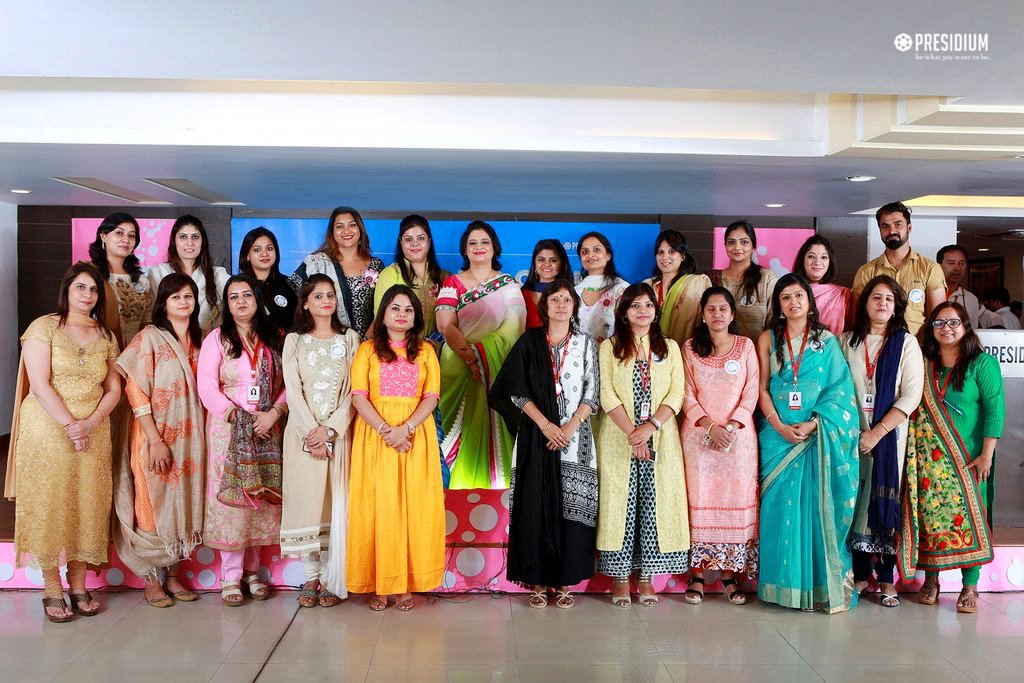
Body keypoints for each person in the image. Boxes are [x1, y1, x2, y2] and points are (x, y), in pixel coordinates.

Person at [7, 262, 121, 622]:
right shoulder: (43, 328)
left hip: (93, 430)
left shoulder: (106, 335)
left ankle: (78, 584)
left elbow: (114, 388)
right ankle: (52, 587)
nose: (87, 295)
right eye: (80, 287)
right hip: (48, 429)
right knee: (50, 502)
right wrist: (72, 425)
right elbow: (39, 384)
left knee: (87, 502)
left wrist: (90, 423)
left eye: (93, 289)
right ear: (67, 290)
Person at [489, 279, 600, 609]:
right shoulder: (530, 342)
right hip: (537, 437)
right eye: (555, 300)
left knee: (571, 511)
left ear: (575, 306)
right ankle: (537, 582)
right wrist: (546, 425)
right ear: (545, 306)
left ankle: (565, 582)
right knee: (535, 506)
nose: (561, 305)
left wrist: (569, 426)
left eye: (567, 300)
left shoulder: (586, 343)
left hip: (576, 439)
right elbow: (514, 389)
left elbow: (593, 393)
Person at [756, 273, 860, 613]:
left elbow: (841, 392)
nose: (793, 302)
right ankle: (782, 589)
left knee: (815, 511)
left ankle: (817, 589)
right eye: (785, 297)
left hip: (817, 437)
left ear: (809, 301)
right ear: (778, 305)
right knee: (779, 511)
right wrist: (779, 427)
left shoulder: (826, 341)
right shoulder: (768, 338)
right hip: (777, 438)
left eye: (798, 295)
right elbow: (760, 388)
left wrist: (815, 423)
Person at [899, 302, 1004, 614]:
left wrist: (986, 455)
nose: (946, 328)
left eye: (953, 322)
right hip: (929, 461)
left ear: (966, 326)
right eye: (939, 323)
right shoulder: (924, 363)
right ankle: (932, 580)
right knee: (931, 515)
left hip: (969, 458)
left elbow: (995, 410)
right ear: (930, 328)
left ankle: (970, 585)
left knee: (972, 517)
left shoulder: (982, 363)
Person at [347, 285, 445, 610]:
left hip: (416, 437)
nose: (402, 314)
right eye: (395, 308)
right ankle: (380, 584)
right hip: (376, 437)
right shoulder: (366, 350)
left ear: (416, 317)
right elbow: (359, 396)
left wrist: (406, 429)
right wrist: (386, 430)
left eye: (408, 309)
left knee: (415, 509)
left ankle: (406, 585)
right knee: (380, 508)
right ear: (383, 314)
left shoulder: (427, 351)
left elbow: (431, 397)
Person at [112, 273, 205, 608]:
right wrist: (154, 440)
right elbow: (134, 389)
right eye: (175, 297)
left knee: (183, 502)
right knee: (150, 502)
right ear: (163, 303)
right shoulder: (149, 337)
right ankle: (151, 579)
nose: (183, 302)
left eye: (188, 296)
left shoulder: (202, 339)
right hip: (153, 434)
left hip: (192, 439)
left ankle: (175, 575)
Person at [597, 283, 689, 608]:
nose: (642, 311)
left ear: (656, 311)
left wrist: (650, 427)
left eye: (648, 305)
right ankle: (620, 578)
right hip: (618, 438)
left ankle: (647, 578)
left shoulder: (669, 347)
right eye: (635, 305)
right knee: (620, 507)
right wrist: (633, 433)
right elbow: (606, 393)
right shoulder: (610, 347)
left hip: (660, 436)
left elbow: (677, 393)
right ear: (624, 312)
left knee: (653, 506)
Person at [198, 275, 287, 605]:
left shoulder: (275, 337)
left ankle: (253, 572)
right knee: (236, 501)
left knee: (260, 500)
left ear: (257, 299)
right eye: (233, 297)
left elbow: (289, 384)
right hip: (229, 430)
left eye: (246, 295)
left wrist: (274, 413)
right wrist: (236, 416)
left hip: (266, 428)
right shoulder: (217, 339)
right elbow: (207, 386)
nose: (241, 301)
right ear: (227, 304)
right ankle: (230, 577)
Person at [840, 275, 923, 608]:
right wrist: (858, 433)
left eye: (889, 299)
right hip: (851, 436)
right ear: (865, 304)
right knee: (857, 503)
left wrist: (877, 433)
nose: (882, 303)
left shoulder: (906, 343)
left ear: (896, 306)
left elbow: (911, 395)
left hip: (889, 438)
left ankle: (887, 579)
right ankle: (861, 576)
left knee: (884, 500)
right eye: (876, 297)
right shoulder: (846, 341)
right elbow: (837, 389)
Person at [280, 274, 362, 608]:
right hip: (302, 438)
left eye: (330, 295)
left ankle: (331, 577)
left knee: (335, 505)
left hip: (339, 437)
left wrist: (330, 429)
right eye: (318, 296)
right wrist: (311, 433)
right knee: (306, 504)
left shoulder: (351, 339)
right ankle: (311, 576)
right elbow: (292, 390)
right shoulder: (294, 341)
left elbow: (355, 391)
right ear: (305, 303)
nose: (326, 301)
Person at [680, 287, 759, 605]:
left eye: (723, 309)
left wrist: (730, 427)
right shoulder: (690, 348)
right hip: (699, 438)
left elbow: (752, 390)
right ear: (702, 314)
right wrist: (710, 426)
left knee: (733, 500)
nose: (717, 314)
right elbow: (685, 393)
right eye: (711, 309)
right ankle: (697, 574)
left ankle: (729, 574)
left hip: (737, 440)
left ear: (732, 313)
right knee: (699, 499)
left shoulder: (745, 346)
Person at [436, 221, 526, 489]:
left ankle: (501, 492)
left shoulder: (508, 284)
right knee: (462, 430)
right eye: (472, 243)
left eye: (484, 242)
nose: (478, 247)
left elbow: (514, 327)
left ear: (494, 247)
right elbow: (445, 326)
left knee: (498, 422)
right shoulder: (452, 283)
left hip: (499, 368)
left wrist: (482, 356)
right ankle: (462, 491)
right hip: (458, 367)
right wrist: (471, 359)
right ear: (464, 249)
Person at [289, 206, 384, 338]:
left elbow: (384, 307)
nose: (346, 230)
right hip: (329, 342)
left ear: (360, 229)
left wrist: (366, 340)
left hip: (368, 342)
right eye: (339, 226)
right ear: (332, 232)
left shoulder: (376, 265)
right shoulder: (317, 262)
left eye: (352, 225)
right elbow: (296, 298)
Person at [852, 202, 945, 336]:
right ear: (880, 230)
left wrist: (917, 346)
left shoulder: (930, 268)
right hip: (876, 346)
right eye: (885, 226)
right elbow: (858, 317)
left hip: (918, 346)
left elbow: (938, 319)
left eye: (898, 224)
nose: (891, 231)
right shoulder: (866, 271)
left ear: (909, 227)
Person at [148, 215, 230, 336]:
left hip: (205, 342)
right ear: (174, 241)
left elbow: (241, 292)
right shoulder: (158, 273)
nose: (190, 243)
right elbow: (151, 314)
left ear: (202, 242)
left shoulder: (217, 275)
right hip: (167, 339)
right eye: (183, 237)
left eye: (195, 237)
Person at [372, 214, 449, 340]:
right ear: (401, 242)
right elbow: (380, 320)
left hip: (437, 347)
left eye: (421, 238)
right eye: (408, 239)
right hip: (400, 347)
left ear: (429, 240)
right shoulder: (390, 274)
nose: (415, 244)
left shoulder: (444, 277)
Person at [88, 211, 153, 348]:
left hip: (135, 353)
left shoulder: (140, 280)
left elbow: (148, 321)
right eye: (119, 233)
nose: (126, 239)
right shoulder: (90, 275)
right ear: (103, 236)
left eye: (131, 235)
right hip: (98, 349)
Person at [709, 221, 778, 341]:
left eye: (744, 242)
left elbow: (775, 323)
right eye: (731, 242)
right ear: (725, 245)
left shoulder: (767, 279)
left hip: (758, 350)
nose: (737, 247)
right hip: (719, 350)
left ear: (753, 247)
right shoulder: (713, 279)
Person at [642, 229, 711, 344]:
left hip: (686, 349)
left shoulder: (697, 284)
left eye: (671, 251)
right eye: (660, 252)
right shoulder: (647, 286)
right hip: (650, 351)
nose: (665, 257)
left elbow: (706, 322)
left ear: (683, 256)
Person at [238, 226, 298, 335]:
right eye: (257, 250)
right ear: (247, 255)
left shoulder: (290, 284)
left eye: (269, 249)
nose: (264, 254)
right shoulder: (238, 285)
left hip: (284, 344)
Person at [575, 231, 629, 342]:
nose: (590, 255)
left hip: (612, 351)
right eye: (585, 252)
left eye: (596, 250)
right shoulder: (574, 292)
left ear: (608, 255)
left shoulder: (621, 289)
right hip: (577, 352)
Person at [792, 235, 850, 335]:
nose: (817, 262)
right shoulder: (789, 292)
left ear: (830, 262)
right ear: (802, 260)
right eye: (811, 256)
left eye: (823, 257)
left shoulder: (842, 295)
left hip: (834, 344)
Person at [521, 239, 572, 329]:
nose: (547, 264)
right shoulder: (521, 294)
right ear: (534, 263)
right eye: (541, 259)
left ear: (562, 264)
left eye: (553, 260)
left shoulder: (570, 294)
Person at [937, 244, 987, 329]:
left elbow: (972, 331)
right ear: (938, 265)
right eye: (951, 263)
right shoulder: (926, 293)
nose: (957, 268)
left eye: (961, 263)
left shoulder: (971, 299)